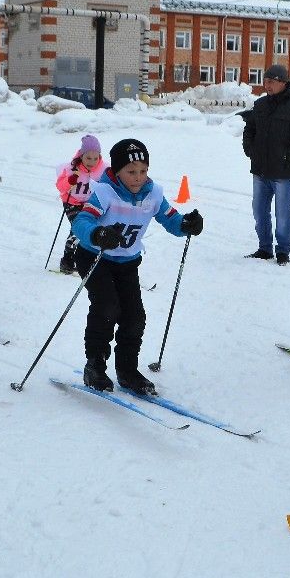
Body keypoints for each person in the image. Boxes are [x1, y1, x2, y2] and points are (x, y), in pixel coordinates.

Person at [70, 138, 201, 395]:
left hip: (127, 262)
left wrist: (187, 224)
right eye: (131, 171)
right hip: (95, 258)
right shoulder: (104, 192)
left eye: (143, 171)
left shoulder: (153, 194)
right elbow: (81, 221)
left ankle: (127, 370)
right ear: (117, 171)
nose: (138, 177)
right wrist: (97, 234)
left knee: (134, 316)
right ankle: (95, 365)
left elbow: (171, 219)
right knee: (107, 307)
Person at [241, 64, 290, 264]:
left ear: (283, 82)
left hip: (283, 173)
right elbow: (250, 129)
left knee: (282, 214)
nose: (267, 86)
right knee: (259, 211)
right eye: (265, 82)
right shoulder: (261, 104)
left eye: (271, 82)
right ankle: (264, 248)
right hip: (260, 170)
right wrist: (250, 149)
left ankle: (282, 251)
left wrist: (287, 158)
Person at [54, 134, 106, 275]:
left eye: (96, 158)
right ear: (81, 155)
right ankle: (67, 261)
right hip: (72, 202)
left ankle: (84, 258)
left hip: (90, 203)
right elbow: (60, 187)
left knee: (92, 229)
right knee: (78, 228)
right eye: (88, 158)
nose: (92, 162)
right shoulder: (71, 168)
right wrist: (71, 180)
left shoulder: (104, 169)